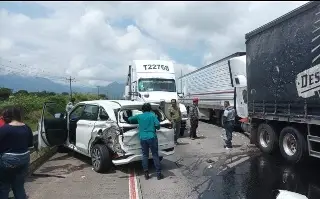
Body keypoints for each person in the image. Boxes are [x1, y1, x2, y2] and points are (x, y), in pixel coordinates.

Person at [0, 106, 34, 199]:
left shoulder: (4, 129)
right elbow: (30, 145)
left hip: (8, 160)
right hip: (24, 158)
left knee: (4, 186)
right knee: (19, 185)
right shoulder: (27, 127)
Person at [128, 103, 164, 180]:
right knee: (155, 155)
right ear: (150, 109)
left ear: (142, 110)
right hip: (152, 137)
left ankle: (146, 174)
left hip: (143, 138)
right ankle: (158, 174)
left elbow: (130, 119)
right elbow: (158, 126)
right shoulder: (152, 115)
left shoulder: (139, 116)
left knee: (145, 155)